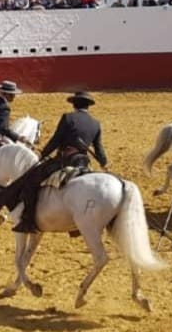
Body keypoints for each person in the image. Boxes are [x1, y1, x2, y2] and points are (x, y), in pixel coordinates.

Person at [8, 91, 108, 233]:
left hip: (64, 160)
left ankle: (28, 221)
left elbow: (56, 140)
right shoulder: (95, 124)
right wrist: (104, 163)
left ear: (74, 104)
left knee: (30, 180)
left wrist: (42, 154)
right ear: (88, 106)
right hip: (83, 163)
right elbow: (99, 149)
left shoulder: (68, 118)